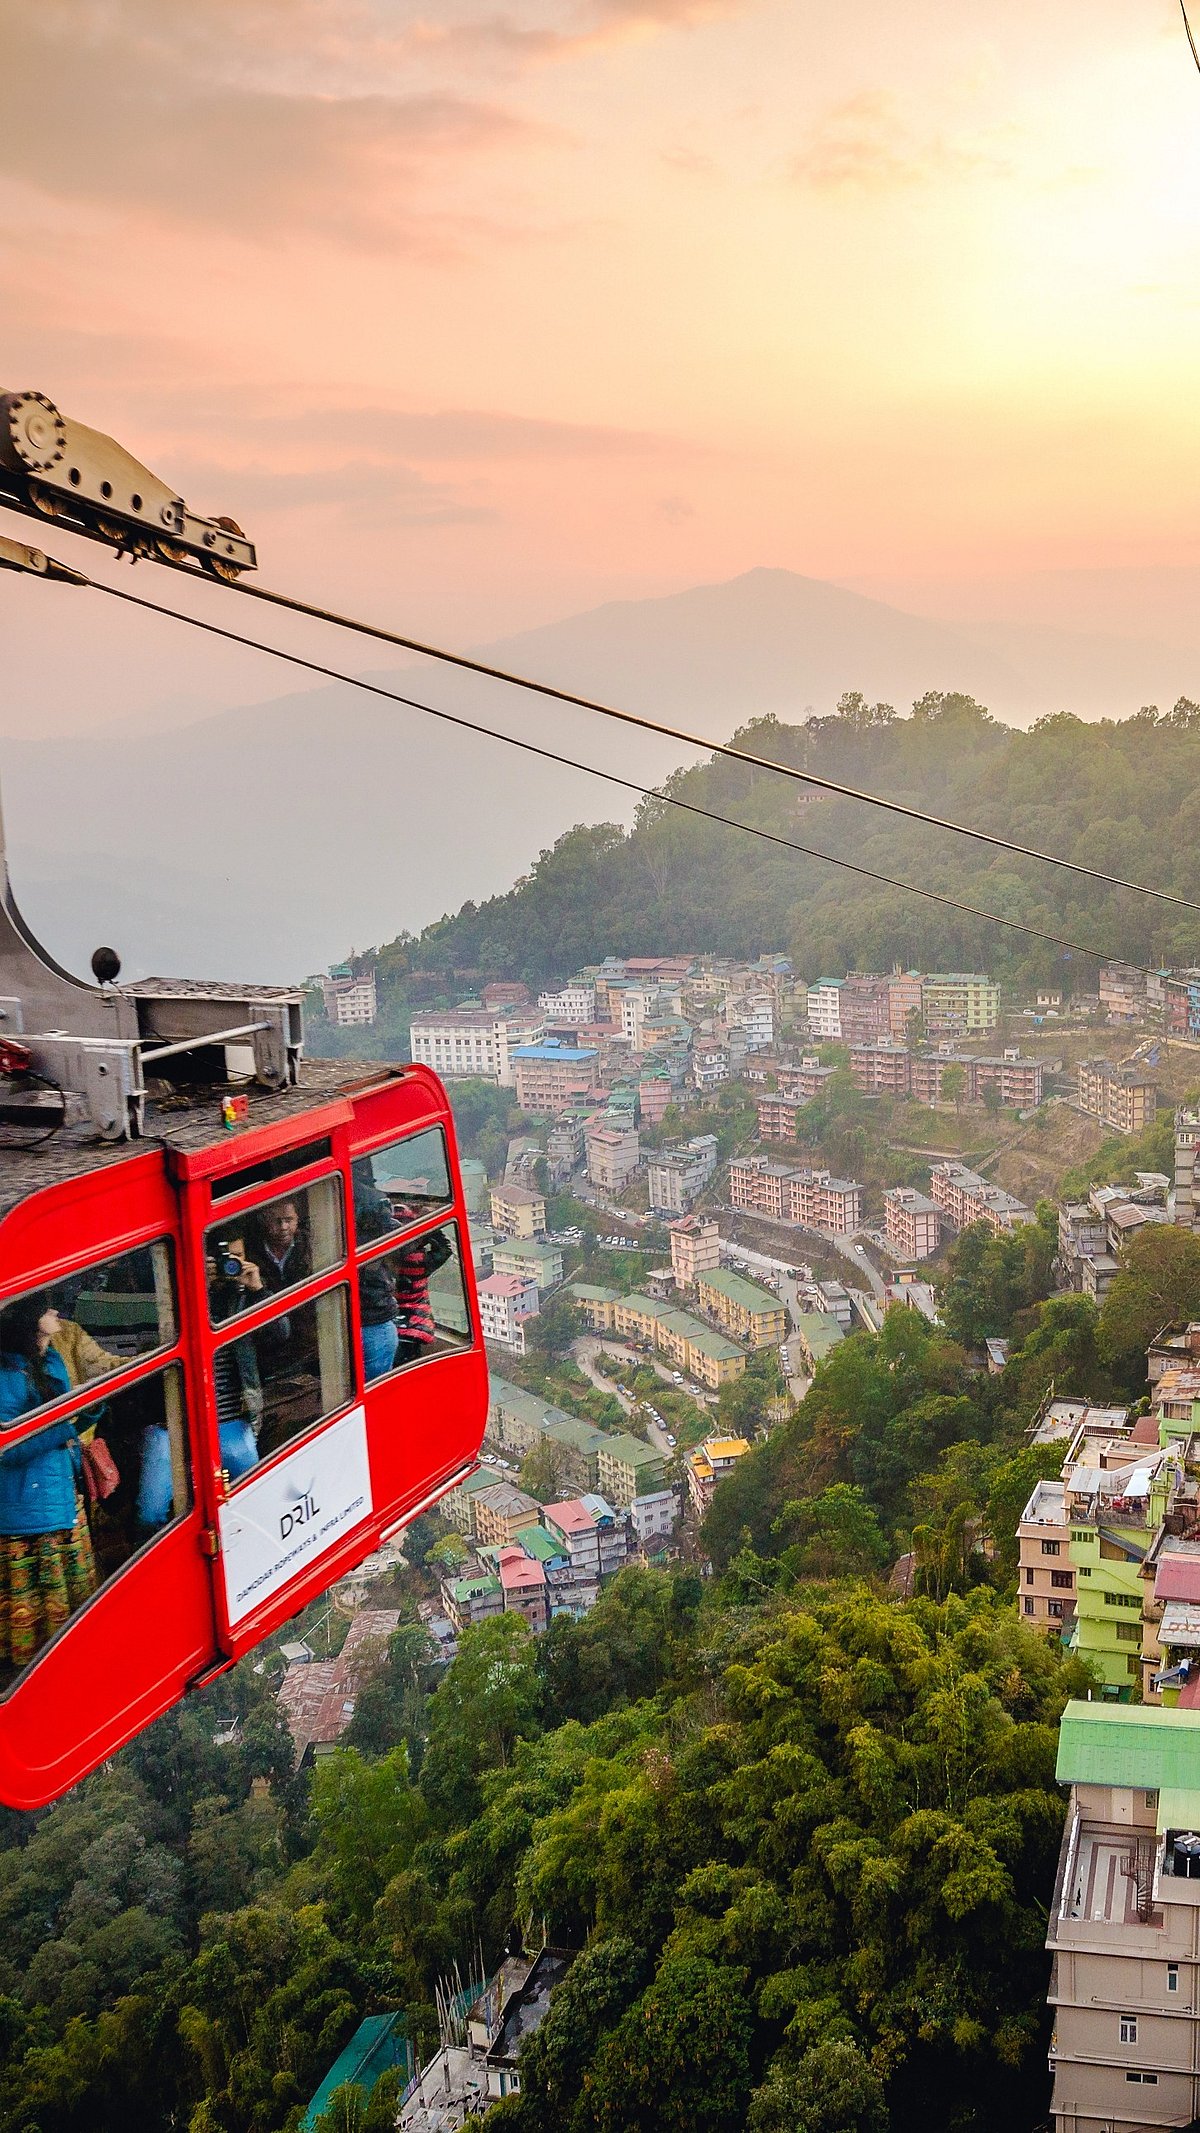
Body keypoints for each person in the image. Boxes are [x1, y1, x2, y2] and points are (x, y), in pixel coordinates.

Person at [0, 1294, 96, 1673]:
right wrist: (66, 1425)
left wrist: (89, 1411)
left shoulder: (51, 1359)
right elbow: (7, 1449)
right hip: (29, 1510)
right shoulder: (6, 1374)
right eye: (46, 1308)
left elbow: (64, 1422)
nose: (56, 1313)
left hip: (60, 1496)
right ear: (27, 1320)